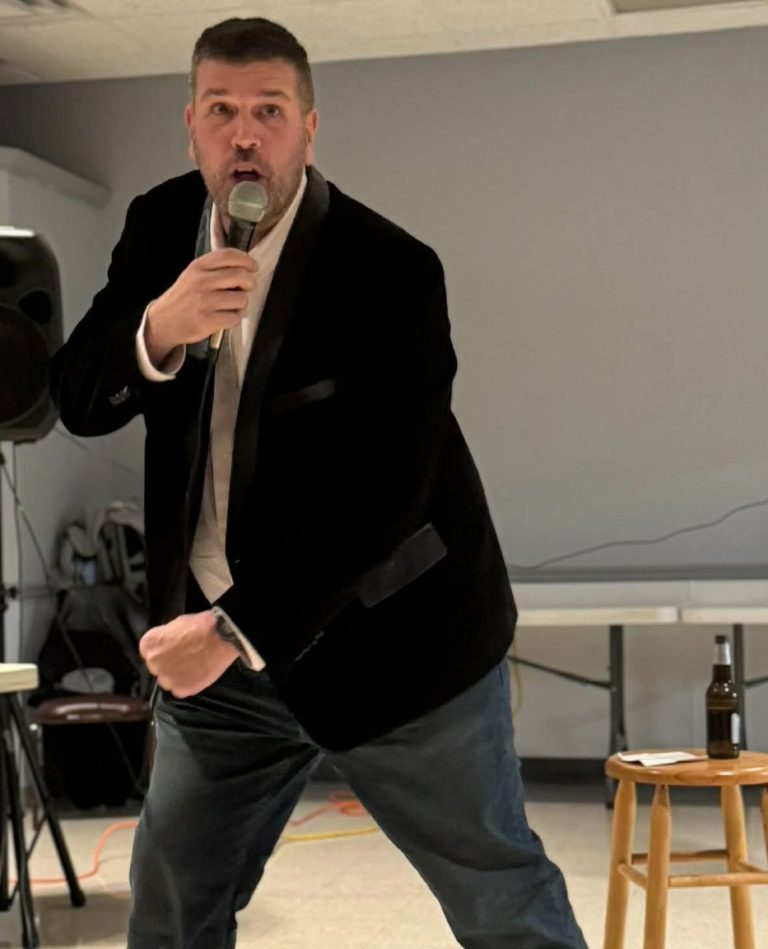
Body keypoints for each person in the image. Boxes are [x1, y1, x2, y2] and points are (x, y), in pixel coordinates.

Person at [50, 17, 587, 949]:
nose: (244, 135)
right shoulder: (158, 226)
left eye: (269, 111)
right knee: (172, 905)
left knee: (501, 898)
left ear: (308, 127)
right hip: (223, 668)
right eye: (222, 110)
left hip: (398, 645)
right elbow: (77, 397)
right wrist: (159, 328)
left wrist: (233, 629)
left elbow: (383, 498)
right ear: (191, 125)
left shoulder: (390, 271)